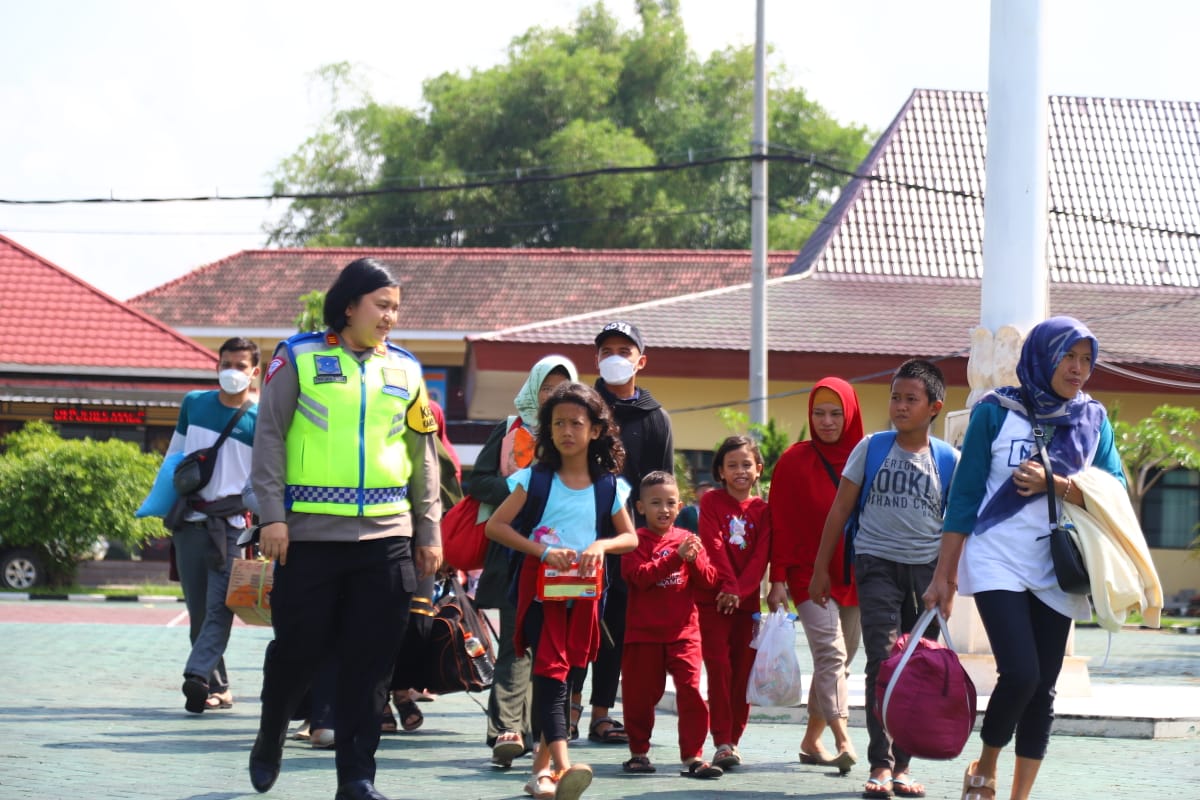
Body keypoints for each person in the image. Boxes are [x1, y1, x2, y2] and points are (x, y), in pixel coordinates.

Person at [248, 258, 442, 800]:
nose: (390, 318)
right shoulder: (299, 357)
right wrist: (273, 516)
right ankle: (270, 734)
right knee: (298, 652)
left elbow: (422, 455)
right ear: (349, 305)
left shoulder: (406, 370)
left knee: (372, 663)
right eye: (382, 306)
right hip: (308, 539)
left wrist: (429, 530)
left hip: (386, 540)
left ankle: (356, 777)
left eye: (395, 308)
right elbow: (269, 437)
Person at [924, 317, 1125, 800]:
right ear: (1041, 355)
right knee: (1022, 672)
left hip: (1059, 564)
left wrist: (1060, 484)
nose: (1077, 369)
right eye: (1067, 356)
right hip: (997, 557)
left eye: (1085, 359)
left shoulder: (1092, 419)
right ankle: (986, 763)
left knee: (1044, 688)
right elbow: (965, 496)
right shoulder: (996, 411)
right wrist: (944, 576)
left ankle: (1019, 795)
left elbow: (1114, 489)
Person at [810, 359, 959, 799]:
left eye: (911, 399)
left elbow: (956, 529)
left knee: (917, 667)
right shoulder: (871, 448)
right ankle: (880, 763)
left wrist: (947, 585)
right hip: (875, 564)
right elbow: (839, 510)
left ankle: (903, 769)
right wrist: (821, 569)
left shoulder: (949, 460)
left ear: (934, 407)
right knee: (882, 659)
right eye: (895, 397)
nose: (900, 406)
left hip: (926, 576)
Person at [484, 382, 639, 800]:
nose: (567, 430)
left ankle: (540, 773)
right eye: (558, 423)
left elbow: (630, 539)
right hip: (540, 596)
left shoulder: (609, 487)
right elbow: (495, 526)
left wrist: (600, 545)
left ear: (595, 431)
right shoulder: (533, 479)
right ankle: (565, 765)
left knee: (566, 676)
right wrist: (542, 551)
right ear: (548, 431)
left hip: (586, 599)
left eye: (576, 423)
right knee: (552, 676)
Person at [465, 354, 578, 768]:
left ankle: (538, 732)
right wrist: (518, 489)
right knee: (517, 639)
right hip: (513, 548)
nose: (554, 397)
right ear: (534, 389)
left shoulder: (576, 433)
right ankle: (505, 730)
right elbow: (474, 480)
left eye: (562, 389)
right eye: (547, 388)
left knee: (551, 642)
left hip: (564, 554)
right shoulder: (511, 430)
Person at [578, 320, 675, 745]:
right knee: (574, 623)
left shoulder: (656, 419)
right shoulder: (580, 407)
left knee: (615, 628)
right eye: (605, 350)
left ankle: (602, 713)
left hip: (628, 542)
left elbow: (661, 483)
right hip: (579, 536)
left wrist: (655, 537)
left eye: (623, 349)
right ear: (596, 359)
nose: (614, 357)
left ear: (641, 360)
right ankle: (563, 710)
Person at [767, 377, 865, 774]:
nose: (826, 421)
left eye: (836, 413)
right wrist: (777, 580)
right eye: (819, 413)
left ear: (851, 414)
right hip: (809, 576)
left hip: (856, 577)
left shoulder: (867, 457)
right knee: (832, 655)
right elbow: (780, 524)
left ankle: (811, 740)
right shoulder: (793, 461)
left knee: (840, 664)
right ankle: (844, 738)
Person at [167, 336, 260, 714]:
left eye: (240, 366)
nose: (231, 372)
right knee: (199, 609)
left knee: (222, 604)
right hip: (190, 522)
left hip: (234, 527)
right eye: (226, 364)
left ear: (254, 372)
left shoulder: (262, 419)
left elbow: (266, 479)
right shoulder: (194, 404)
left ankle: (198, 675)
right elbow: (174, 456)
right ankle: (215, 686)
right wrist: (161, 508)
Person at [620, 471, 723, 780]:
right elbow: (639, 577)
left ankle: (693, 756)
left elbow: (708, 582)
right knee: (639, 696)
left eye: (669, 503)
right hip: (643, 635)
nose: (663, 510)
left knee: (691, 691)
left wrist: (694, 560)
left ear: (680, 506)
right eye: (655, 503)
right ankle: (639, 752)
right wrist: (677, 559)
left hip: (684, 634)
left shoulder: (688, 540)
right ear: (640, 507)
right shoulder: (633, 541)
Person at [697, 434, 771, 771]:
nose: (740, 471)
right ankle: (721, 741)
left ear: (758, 469)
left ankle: (734, 740)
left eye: (746, 464)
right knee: (718, 668)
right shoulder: (712, 502)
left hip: (747, 606)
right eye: (732, 466)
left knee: (742, 673)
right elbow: (713, 545)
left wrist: (740, 592)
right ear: (721, 471)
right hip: (715, 603)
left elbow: (760, 557)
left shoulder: (765, 510)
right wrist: (727, 587)